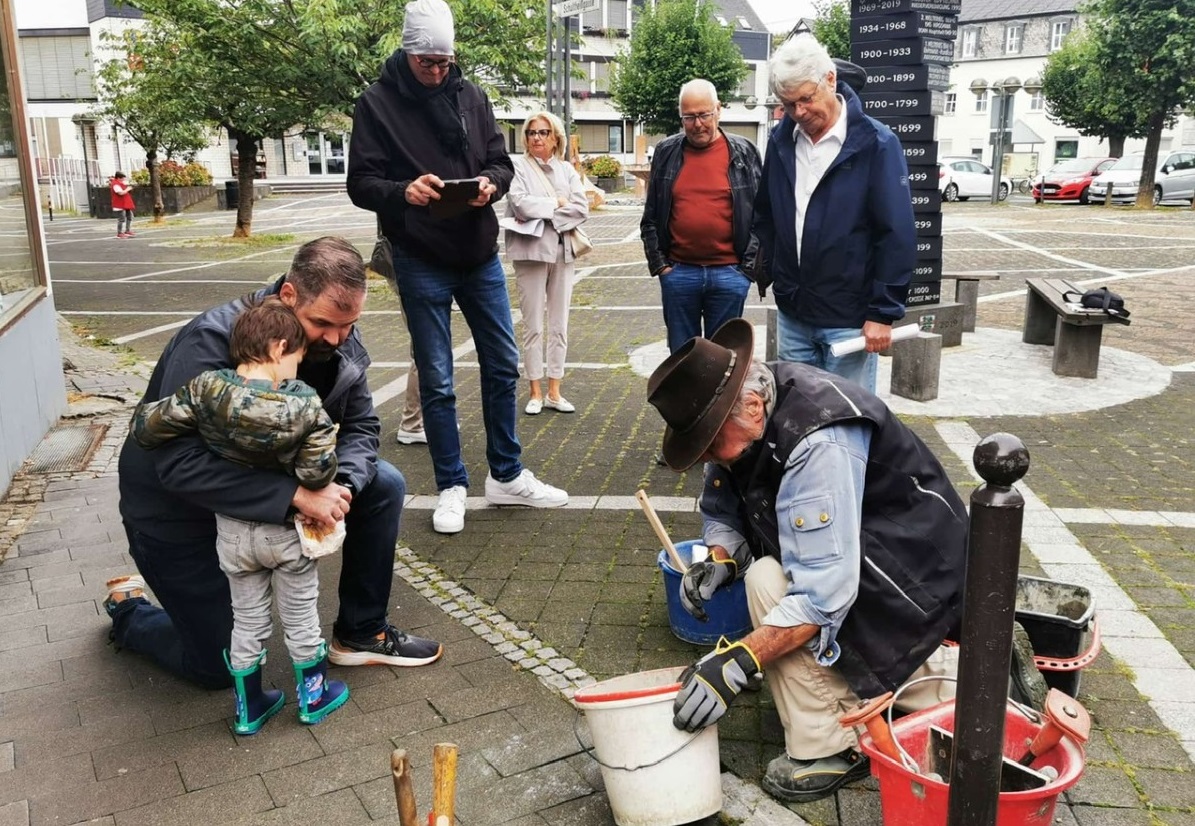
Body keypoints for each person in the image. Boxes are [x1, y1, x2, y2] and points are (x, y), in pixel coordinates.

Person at [646, 318, 968, 803]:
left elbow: (821, 596)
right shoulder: (747, 409)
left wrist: (737, 662)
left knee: (774, 586)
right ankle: (839, 718)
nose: (707, 458)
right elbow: (723, 505)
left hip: (912, 579)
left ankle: (947, 687)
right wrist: (720, 558)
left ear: (752, 407)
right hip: (858, 558)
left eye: (709, 444)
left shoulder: (818, 439)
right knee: (761, 575)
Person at [107, 236, 443, 693]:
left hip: (264, 491)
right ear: (288, 295)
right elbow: (178, 464)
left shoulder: (339, 333)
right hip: (178, 516)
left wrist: (336, 485)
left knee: (382, 482)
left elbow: (363, 426)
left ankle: (362, 632)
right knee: (218, 668)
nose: (336, 338)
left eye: (349, 324)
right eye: (322, 323)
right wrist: (295, 496)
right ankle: (130, 611)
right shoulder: (210, 341)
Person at [347, 0, 568, 535]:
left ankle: (507, 475)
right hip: (420, 256)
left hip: (477, 252)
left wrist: (491, 183)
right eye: (428, 62)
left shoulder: (471, 96)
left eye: (446, 61)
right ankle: (451, 484)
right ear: (408, 53)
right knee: (439, 378)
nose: (439, 70)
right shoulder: (375, 105)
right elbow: (360, 184)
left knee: (502, 364)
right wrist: (405, 191)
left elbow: (499, 159)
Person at [127, 297, 350, 734]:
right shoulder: (304, 404)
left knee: (246, 620)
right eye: (297, 358)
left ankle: (249, 707)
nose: (297, 369)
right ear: (277, 349)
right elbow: (315, 472)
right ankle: (314, 695)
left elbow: (148, 427)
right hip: (284, 533)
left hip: (231, 532)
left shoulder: (206, 388)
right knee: (300, 614)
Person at [748, 35, 916, 392]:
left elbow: (896, 233)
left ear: (830, 79)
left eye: (806, 99)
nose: (799, 112)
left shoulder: (877, 144)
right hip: (794, 313)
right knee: (797, 414)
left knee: (848, 419)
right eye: (788, 104)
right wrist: (775, 271)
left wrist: (881, 313)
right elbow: (766, 214)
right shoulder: (780, 141)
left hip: (850, 319)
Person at [640, 78, 762, 354]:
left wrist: (746, 271)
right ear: (680, 116)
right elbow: (650, 216)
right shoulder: (666, 152)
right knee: (683, 362)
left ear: (718, 109)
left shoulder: (745, 152)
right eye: (689, 117)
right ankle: (685, 400)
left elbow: (762, 217)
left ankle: (722, 401)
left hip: (730, 274)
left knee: (724, 360)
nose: (698, 124)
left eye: (704, 115)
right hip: (679, 273)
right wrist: (661, 267)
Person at [503, 110, 589, 415]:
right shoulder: (518, 166)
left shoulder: (566, 170)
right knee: (533, 325)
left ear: (555, 138)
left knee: (559, 324)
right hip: (531, 254)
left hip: (563, 253)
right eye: (531, 133)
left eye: (543, 132)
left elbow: (582, 208)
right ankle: (535, 391)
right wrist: (557, 204)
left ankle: (555, 390)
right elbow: (519, 203)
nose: (536, 138)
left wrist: (546, 211)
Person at [110, 172, 135, 239]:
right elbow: (120, 193)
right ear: (118, 178)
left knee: (130, 216)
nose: (123, 179)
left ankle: (127, 230)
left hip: (125, 204)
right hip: (119, 204)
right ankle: (120, 233)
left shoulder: (120, 184)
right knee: (121, 219)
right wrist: (127, 189)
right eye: (122, 178)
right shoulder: (115, 184)